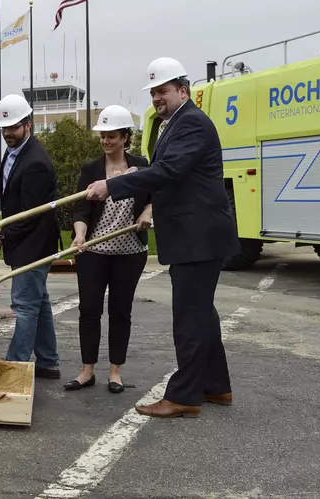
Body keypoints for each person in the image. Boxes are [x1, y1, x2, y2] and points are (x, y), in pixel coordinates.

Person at [86, 58, 240, 418]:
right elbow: (164, 171)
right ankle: (217, 387)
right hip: (194, 237)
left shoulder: (192, 124)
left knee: (189, 317)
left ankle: (184, 396)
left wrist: (111, 185)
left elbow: (167, 172)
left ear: (183, 90)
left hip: (197, 237)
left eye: (163, 90)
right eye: (153, 92)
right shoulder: (175, 123)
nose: (157, 97)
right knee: (202, 315)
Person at [68, 104, 153, 393]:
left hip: (130, 253)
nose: (106, 141)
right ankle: (86, 371)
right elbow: (80, 210)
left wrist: (147, 213)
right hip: (93, 251)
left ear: (125, 137)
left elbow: (156, 195)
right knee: (89, 309)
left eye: (112, 136)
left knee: (120, 310)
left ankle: (115, 372)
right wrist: (80, 235)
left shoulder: (141, 165)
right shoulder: (90, 169)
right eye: (102, 136)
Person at [0, 95, 61, 379]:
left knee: (25, 305)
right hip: (25, 241)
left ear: (27, 125)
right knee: (38, 302)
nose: (8, 134)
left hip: (33, 243)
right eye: (4, 129)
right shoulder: (14, 152)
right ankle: (48, 361)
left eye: (13, 128)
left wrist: (2, 236)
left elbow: (30, 214)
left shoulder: (36, 162)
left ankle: (14, 365)